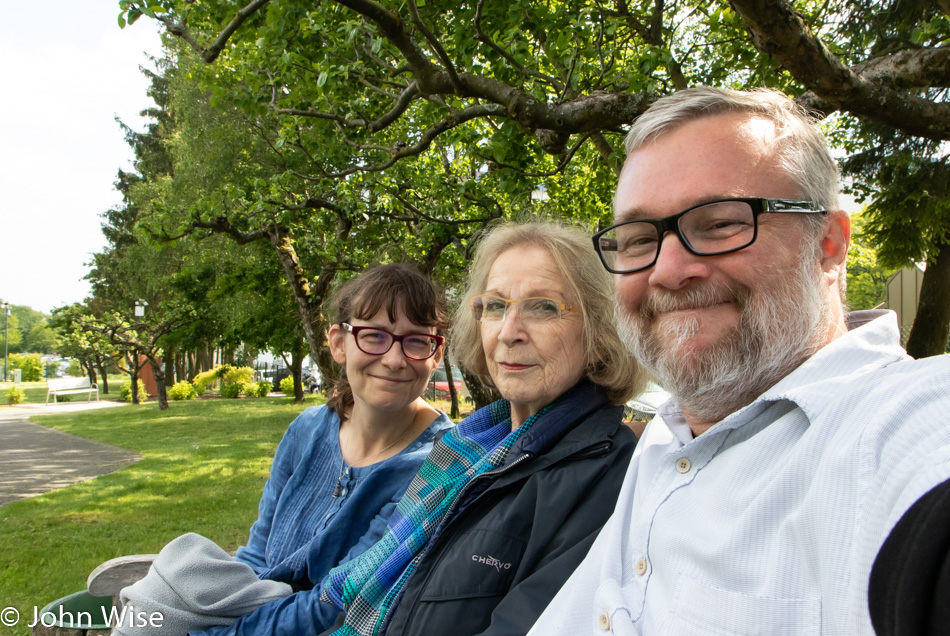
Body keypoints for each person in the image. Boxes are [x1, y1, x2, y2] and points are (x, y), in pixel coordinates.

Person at [528, 87, 950, 635]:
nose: (668, 271)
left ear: (828, 242)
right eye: (637, 239)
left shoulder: (898, 425)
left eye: (722, 223)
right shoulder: (667, 434)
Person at [318, 221, 644, 635]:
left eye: (543, 306)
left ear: (599, 328)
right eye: (495, 306)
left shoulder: (606, 477)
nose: (509, 333)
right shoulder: (467, 446)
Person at [121, 263, 454, 635]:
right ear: (338, 343)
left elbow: (335, 602)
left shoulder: (436, 467)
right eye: (374, 336)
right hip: (254, 606)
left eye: (416, 341)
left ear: (435, 355)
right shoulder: (308, 430)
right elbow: (257, 553)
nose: (394, 359)